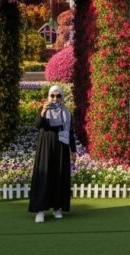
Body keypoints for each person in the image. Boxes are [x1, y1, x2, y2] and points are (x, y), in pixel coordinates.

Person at [29, 85, 77, 222]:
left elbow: (70, 132)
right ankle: (40, 210)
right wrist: (44, 110)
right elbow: (38, 125)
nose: (55, 98)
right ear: (49, 96)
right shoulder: (44, 110)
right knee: (44, 176)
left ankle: (58, 207)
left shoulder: (67, 112)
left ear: (62, 97)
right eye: (53, 96)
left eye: (58, 96)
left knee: (59, 176)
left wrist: (73, 150)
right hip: (46, 147)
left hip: (62, 147)